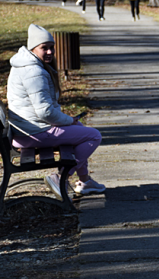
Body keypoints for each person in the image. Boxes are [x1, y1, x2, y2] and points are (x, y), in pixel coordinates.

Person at [6, 24, 105, 198]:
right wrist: (68, 120)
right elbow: (45, 112)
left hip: (27, 129)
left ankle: (85, 181)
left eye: (52, 47)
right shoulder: (33, 71)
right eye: (44, 48)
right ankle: (60, 177)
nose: (50, 52)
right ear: (33, 48)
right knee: (94, 135)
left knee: (81, 128)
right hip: (32, 133)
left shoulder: (25, 63)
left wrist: (70, 121)